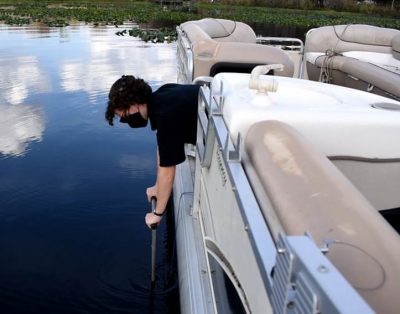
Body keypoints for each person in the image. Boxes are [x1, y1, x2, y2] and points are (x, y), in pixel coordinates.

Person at [105, 75, 200, 228]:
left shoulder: (165, 115)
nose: (127, 121)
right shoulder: (162, 96)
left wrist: (157, 214)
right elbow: (162, 150)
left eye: (125, 116)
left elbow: (168, 170)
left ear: (134, 104)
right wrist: (157, 187)